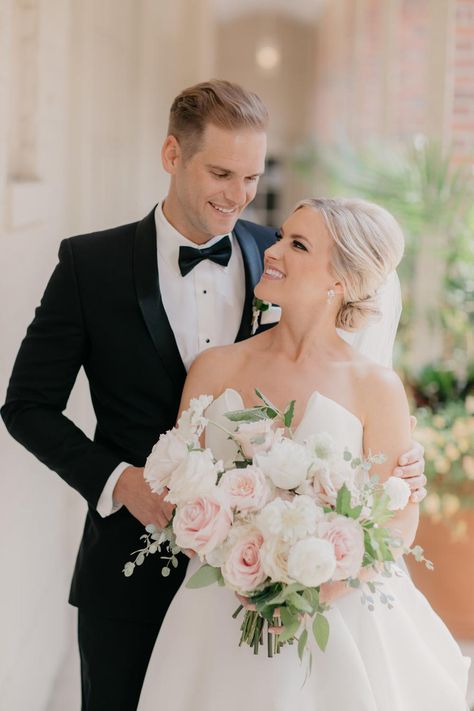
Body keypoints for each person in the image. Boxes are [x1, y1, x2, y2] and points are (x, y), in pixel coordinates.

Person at [1, 82, 425, 711]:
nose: (238, 196)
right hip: (131, 570)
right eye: (221, 173)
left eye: (251, 177)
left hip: (274, 587)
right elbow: (26, 405)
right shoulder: (91, 265)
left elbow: (335, 390)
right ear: (172, 154)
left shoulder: (278, 259)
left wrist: (398, 478)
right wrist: (121, 481)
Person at [137, 197, 470, 711]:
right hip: (215, 614)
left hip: (334, 618)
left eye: (298, 244)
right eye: (280, 237)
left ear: (338, 279)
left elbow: (399, 520)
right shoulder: (214, 368)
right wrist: (234, 560)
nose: (273, 251)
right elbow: (184, 491)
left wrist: (322, 588)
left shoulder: (374, 386)